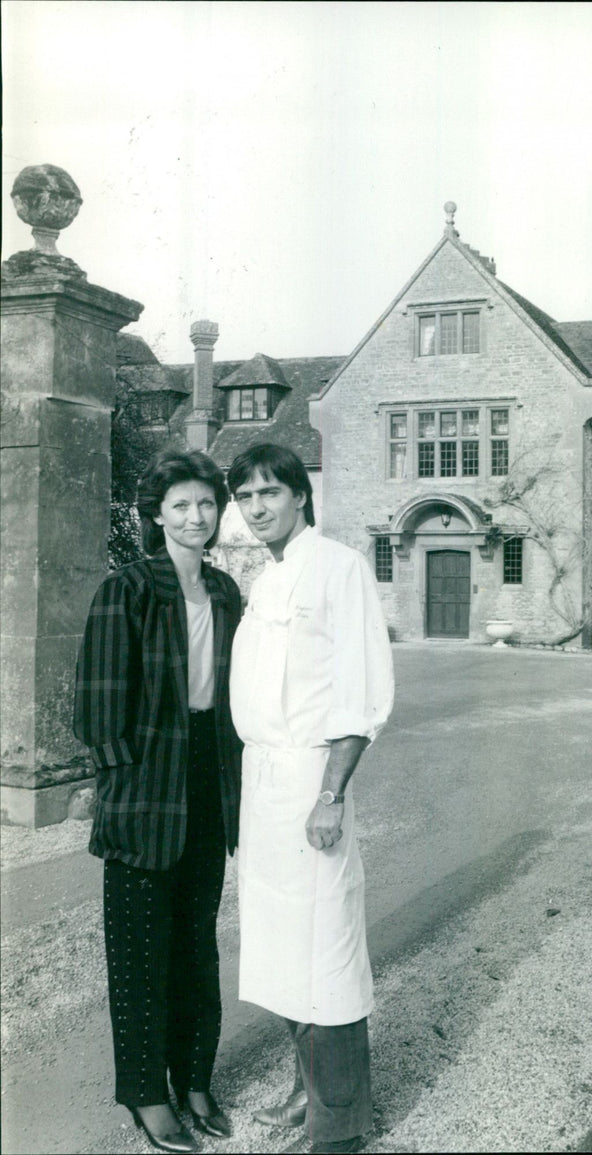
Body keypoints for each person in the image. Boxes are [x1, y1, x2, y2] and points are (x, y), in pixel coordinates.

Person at [73, 447, 242, 1154]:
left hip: (209, 777)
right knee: (142, 950)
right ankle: (147, 1093)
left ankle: (194, 1077)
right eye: (181, 505)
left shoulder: (228, 591)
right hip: (146, 785)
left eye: (206, 503)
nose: (196, 516)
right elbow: (97, 705)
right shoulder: (130, 588)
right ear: (157, 514)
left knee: (196, 943)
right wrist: (124, 785)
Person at [228, 443, 394, 1155]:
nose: (257, 506)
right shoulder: (265, 581)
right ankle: (307, 1087)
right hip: (262, 786)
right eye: (245, 495)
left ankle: (342, 1123)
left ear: (300, 494)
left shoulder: (340, 567)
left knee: (325, 948)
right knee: (279, 952)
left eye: (270, 491)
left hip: (311, 783)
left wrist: (331, 794)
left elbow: (360, 694)